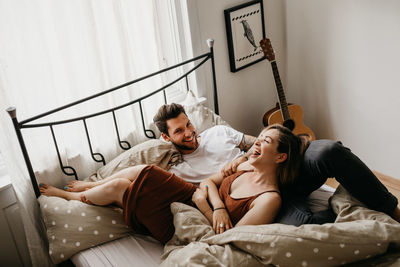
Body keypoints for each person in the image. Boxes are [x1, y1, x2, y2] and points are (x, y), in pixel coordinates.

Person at [66, 103, 400, 223]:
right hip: (250, 194)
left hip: (278, 167)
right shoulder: (177, 170)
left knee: (329, 152)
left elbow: (261, 143)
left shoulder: (220, 132)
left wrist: (283, 146)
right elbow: (197, 191)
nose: (189, 133)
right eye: (179, 131)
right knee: (306, 223)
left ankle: (392, 207)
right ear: (167, 139)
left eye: (189, 124)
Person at [40, 124, 304, 244]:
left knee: (126, 186)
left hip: (194, 223)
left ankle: (73, 197)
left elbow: (231, 240)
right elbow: (210, 183)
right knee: (133, 178)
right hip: (195, 197)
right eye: (258, 138)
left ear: (281, 157)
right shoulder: (245, 164)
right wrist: (218, 207)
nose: (256, 143)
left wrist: (207, 208)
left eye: (265, 142)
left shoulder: (269, 199)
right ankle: (86, 188)